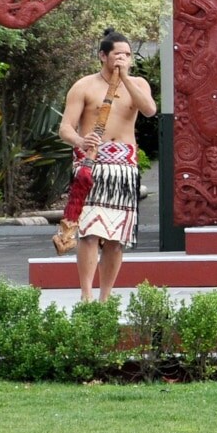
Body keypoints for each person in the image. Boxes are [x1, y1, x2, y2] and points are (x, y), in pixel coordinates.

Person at [56, 30, 157, 302]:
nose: (123, 58)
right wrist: (79, 139)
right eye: (117, 55)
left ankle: (106, 297)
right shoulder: (84, 86)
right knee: (89, 232)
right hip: (92, 164)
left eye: (127, 55)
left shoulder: (138, 83)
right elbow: (65, 127)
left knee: (115, 238)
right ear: (103, 56)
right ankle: (86, 296)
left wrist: (124, 77)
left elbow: (149, 110)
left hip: (123, 168)